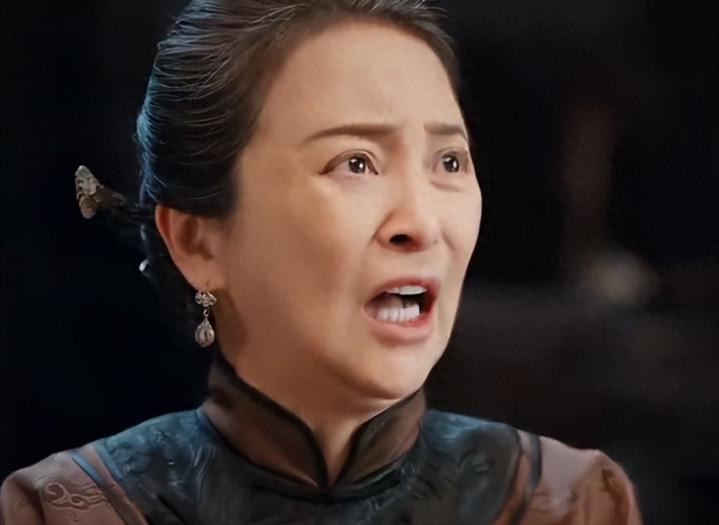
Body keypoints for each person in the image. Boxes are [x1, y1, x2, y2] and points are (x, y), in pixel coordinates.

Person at [0, 1, 642, 523]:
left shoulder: (567, 502)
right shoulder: (74, 509)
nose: (422, 223)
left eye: (449, 161)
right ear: (198, 243)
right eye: (355, 163)